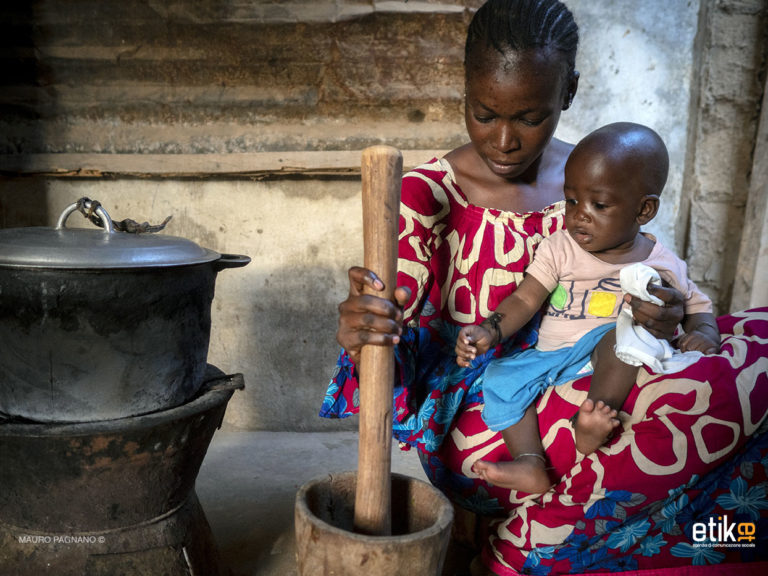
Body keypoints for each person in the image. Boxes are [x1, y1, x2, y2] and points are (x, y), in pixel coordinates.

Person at [320, 1, 768, 575]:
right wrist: (366, 336)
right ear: (464, 91)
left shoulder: (598, 178)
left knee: (753, 344)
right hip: (493, 410)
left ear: (570, 91)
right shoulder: (426, 193)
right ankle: (531, 543)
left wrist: (669, 314)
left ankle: (576, 525)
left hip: (596, 364)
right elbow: (398, 357)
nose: (504, 140)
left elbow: (650, 276)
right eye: (484, 113)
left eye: (529, 118)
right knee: (678, 406)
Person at [454, 122, 721, 494]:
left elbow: (698, 306)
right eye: (572, 200)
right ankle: (530, 464)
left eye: (599, 205)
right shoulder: (560, 247)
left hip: (607, 349)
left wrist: (703, 335)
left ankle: (594, 416)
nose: (580, 215)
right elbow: (526, 298)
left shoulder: (663, 264)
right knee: (499, 378)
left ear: (643, 210)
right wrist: (491, 329)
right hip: (554, 355)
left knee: (619, 339)